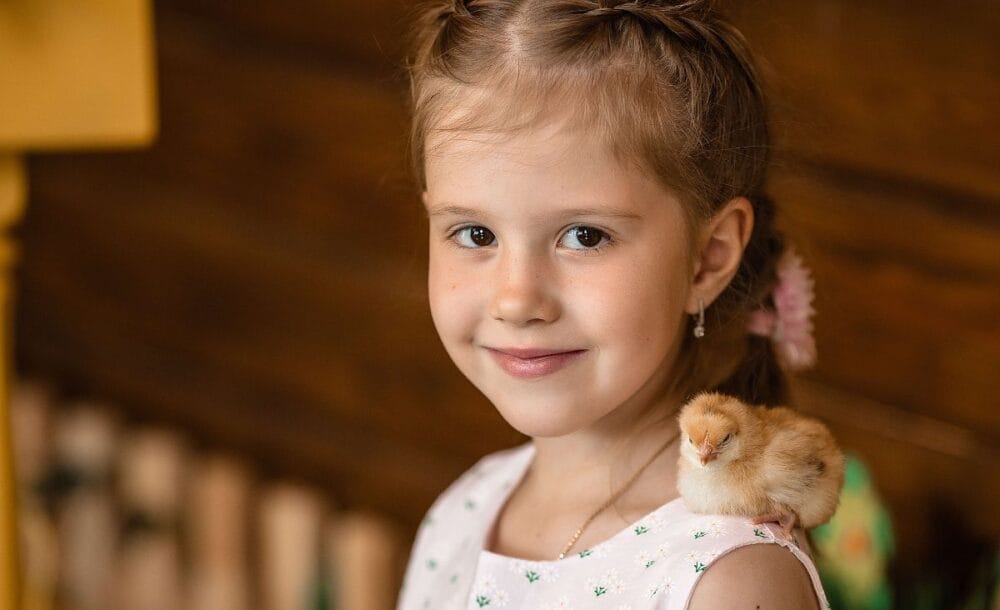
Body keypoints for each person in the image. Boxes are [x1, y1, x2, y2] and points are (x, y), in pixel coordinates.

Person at [396, 1, 830, 608]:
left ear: (706, 259)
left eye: (585, 236)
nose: (516, 299)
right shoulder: (466, 509)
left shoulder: (726, 580)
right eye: (475, 234)